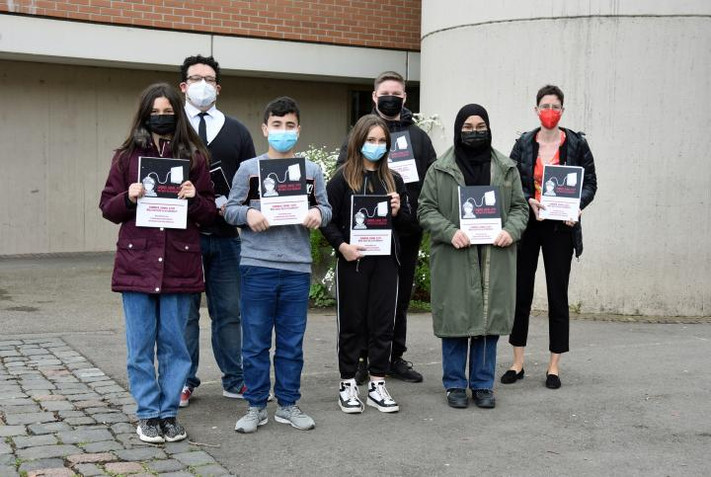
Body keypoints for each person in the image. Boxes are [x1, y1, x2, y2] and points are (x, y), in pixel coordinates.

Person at [99, 83, 216, 442]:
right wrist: (128, 196)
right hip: (137, 264)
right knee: (139, 347)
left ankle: (168, 413)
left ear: (178, 114)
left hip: (179, 266)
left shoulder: (195, 157)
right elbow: (107, 207)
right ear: (144, 113)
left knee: (174, 346)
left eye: (169, 112)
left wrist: (195, 198)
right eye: (156, 112)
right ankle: (148, 413)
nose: (162, 118)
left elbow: (210, 214)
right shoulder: (125, 157)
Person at [224, 96, 332, 433]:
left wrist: (318, 213)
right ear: (265, 128)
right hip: (257, 266)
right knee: (255, 342)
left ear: (298, 130)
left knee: (290, 342)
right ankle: (256, 405)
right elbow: (229, 209)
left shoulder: (311, 171)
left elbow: (327, 209)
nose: (282, 131)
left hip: (297, 268)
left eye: (289, 126)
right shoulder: (249, 169)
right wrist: (248, 214)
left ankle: (288, 404)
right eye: (276, 125)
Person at [418, 104, 528, 409]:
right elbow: (425, 209)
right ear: (457, 130)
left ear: (489, 128)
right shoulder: (439, 169)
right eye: (467, 127)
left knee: (486, 319)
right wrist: (450, 230)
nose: (474, 132)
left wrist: (511, 230)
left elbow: (520, 207)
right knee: (456, 319)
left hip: (494, 252)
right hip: (456, 253)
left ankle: (482, 384)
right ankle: (454, 383)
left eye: (480, 126)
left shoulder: (506, 168)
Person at [337, 71, 437, 384]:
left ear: (405, 97)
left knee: (399, 299)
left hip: (404, 231)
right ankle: (364, 359)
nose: (391, 97)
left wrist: (407, 207)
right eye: (385, 92)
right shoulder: (360, 130)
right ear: (374, 96)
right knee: (364, 299)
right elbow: (344, 172)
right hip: (365, 234)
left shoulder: (418, 137)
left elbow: (431, 180)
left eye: (397, 92)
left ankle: (394, 356)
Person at [501, 85, 597, 389]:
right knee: (522, 295)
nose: (550, 111)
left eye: (556, 106)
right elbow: (510, 180)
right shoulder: (523, 143)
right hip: (529, 226)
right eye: (545, 105)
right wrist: (528, 198)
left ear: (563, 111)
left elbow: (590, 183)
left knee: (558, 296)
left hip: (561, 229)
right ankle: (517, 362)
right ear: (536, 109)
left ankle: (554, 367)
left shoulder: (578, 144)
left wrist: (578, 206)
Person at [178, 55, 256, 408]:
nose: (202, 84)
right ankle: (183, 380)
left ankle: (234, 379)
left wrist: (236, 207)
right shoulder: (170, 126)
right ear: (183, 86)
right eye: (195, 78)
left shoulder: (237, 130)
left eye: (209, 79)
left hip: (226, 239)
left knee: (228, 313)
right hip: (184, 237)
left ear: (218, 87)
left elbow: (253, 185)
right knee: (186, 314)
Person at [321, 114, 413, 414]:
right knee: (352, 324)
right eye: (370, 140)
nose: (376, 145)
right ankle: (347, 384)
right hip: (354, 263)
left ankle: (377, 383)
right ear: (358, 142)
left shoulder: (394, 179)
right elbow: (327, 221)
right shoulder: (342, 178)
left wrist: (400, 211)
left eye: (381, 141)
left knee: (383, 324)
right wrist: (342, 247)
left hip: (386, 263)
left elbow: (413, 226)